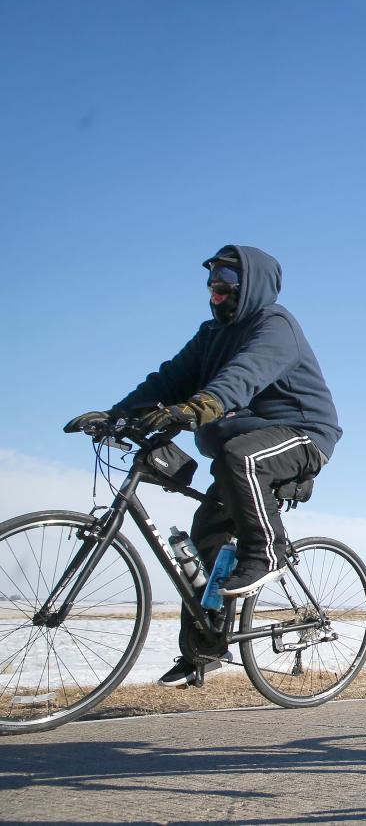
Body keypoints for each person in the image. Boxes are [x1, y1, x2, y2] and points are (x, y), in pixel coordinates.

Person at [64, 245, 342, 687]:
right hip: (244, 446)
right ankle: (203, 650)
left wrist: (202, 406)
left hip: (301, 435)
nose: (216, 293)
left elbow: (247, 372)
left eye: (226, 283)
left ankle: (268, 550)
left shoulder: (276, 325)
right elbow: (168, 378)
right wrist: (118, 415)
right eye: (212, 284)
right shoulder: (210, 335)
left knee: (240, 457)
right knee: (205, 538)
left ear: (249, 285)